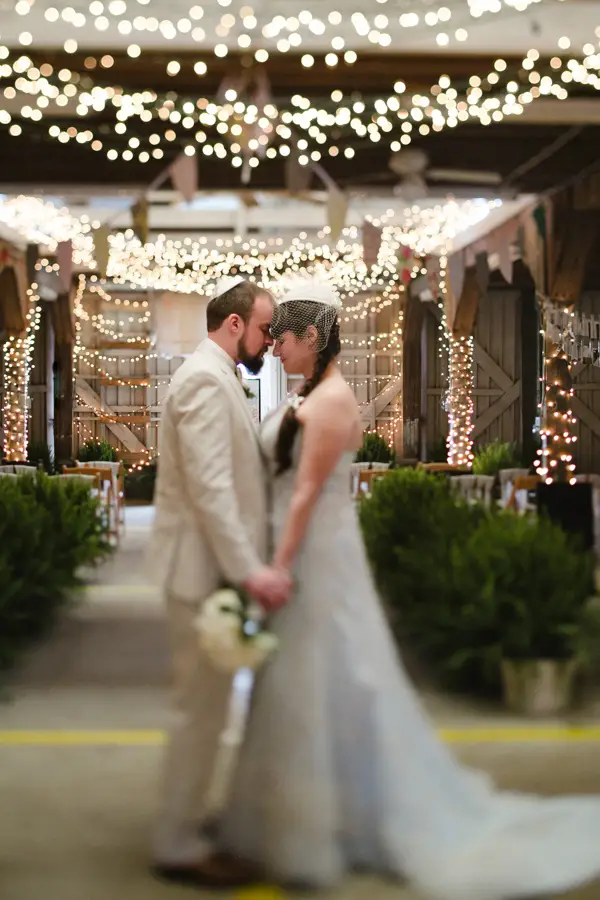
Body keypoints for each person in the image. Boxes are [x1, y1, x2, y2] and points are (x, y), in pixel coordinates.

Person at [218, 278, 600, 899]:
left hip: (317, 557)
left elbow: (308, 495)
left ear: (311, 338)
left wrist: (278, 565)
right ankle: (305, 815)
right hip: (308, 555)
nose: (277, 350)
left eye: (283, 339)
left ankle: (331, 823)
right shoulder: (311, 394)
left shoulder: (334, 400)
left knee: (331, 677)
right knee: (301, 682)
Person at [147, 275, 291, 888]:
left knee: (204, 710)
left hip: (206, 565)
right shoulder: (206, 380)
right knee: (199, 713)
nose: (269, 340)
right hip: (201, 568)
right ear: (235, 325)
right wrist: (248, 570)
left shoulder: (213, 374)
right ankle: (177, 844)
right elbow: (210, 488)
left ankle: (186, 818)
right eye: (264, 328)